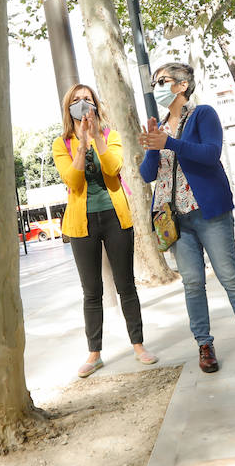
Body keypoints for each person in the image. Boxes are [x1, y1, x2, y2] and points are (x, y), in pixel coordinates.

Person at [139, 62, 235, 373]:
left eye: (164, 80)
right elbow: (146, 175)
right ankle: (204, 344)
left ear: (182, 85)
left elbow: (210, 154)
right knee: (193, 284)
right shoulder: (159, 125)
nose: (157, 86)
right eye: (155, 81)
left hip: (209, 212)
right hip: (175, 220)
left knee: (229, 276)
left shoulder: (203, 114)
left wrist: (169, 143)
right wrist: (155, 147)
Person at [52, 83, 160, 377]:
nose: (83, 103)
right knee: (92, 292)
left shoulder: (110, 136)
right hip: (80, 224)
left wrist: (96, 137)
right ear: (68, 108)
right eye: (76, 100)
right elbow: (72, 181)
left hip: (115, 218)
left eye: (87, 99)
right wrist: (82, 143)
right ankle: (94, 353)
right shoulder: (61, 144)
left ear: (96, 105)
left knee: (127, 285)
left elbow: (113, 168)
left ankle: (138, 345)